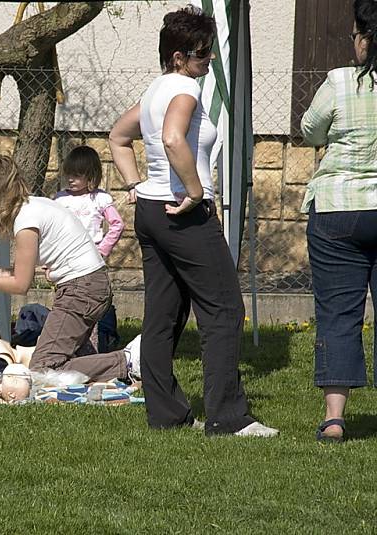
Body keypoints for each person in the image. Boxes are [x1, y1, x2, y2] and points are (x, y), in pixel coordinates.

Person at [108, 5, 277, 436]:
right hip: (183, 214)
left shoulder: (154, 90)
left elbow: (118, 136)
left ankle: (165, 414)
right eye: (203, 54)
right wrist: (197, 191)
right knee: (223, 309)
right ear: (179, 57)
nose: (210, 61)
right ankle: (228, 417)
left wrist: (134, 186)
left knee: (163, 314)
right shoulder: (184, 90)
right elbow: (171, 138)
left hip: (151, 211)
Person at [0, 156, 129, 384]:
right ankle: (121, 364)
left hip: (81, 290)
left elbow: (20, 284)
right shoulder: (33, 206)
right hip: (87, 287)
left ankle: (127, 362)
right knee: (61, 361)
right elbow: (14, 272)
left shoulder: (26, 220)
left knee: (43, 367)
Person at [301, 0, 377, 443]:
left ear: (365, 38)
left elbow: (311, 130)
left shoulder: (340, 82)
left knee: (338, 313)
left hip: (338, 208)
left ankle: (334, 419)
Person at [54, 145, 124, 352]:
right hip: (65, 259)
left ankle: (91, 350)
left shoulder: (100, 199)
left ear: (91, 177)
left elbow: (117, 224)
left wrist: (102, 250)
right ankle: (65, 348)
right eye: (69, 175)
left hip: (90, 259)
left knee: (88, 305)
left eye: (77, 175)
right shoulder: (60, 199)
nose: (71, 180)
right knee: (65, 302)